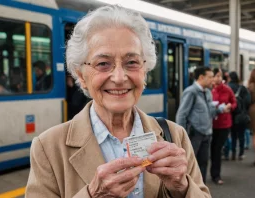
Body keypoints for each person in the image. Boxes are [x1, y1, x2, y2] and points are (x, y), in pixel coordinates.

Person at [26, 6, 211, 198]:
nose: (120, 77)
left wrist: (181, 187)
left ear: (144, 70)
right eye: (103, 64)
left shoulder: (174, 135)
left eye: (131, 62)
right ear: (81, 76)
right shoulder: (48, 147)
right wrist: (92, 195)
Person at [176, 67, 227, 184]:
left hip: (207, 133)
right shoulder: (191, 92)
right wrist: (182, 136)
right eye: (210, 77)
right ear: (201, 77)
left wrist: (220, 109)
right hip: (195, 133)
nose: (212, 80)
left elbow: (210, 111)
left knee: (203, 162)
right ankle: (187, 189)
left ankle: (200, 188)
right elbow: (181, 115)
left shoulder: (208, 92)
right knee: (189, 163)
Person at [210, 68, 237, 184]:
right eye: (215, 75)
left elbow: (234, 102)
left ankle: (216, 175)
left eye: (219, 76)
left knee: (217, 149)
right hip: (209, 124)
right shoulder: (207, 90)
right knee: (209, 150)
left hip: (223, 124)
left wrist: (230, 106)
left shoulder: (227, 89)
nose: (218, 78)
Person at [227, 71, 251, 160]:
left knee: (233, 135)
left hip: (231, 115)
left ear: (229, 78)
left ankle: (233, 152)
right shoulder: (243, 88)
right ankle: (241, 153)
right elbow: (248, 101)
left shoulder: (227, 87)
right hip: (241, 115)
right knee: (241, 135)